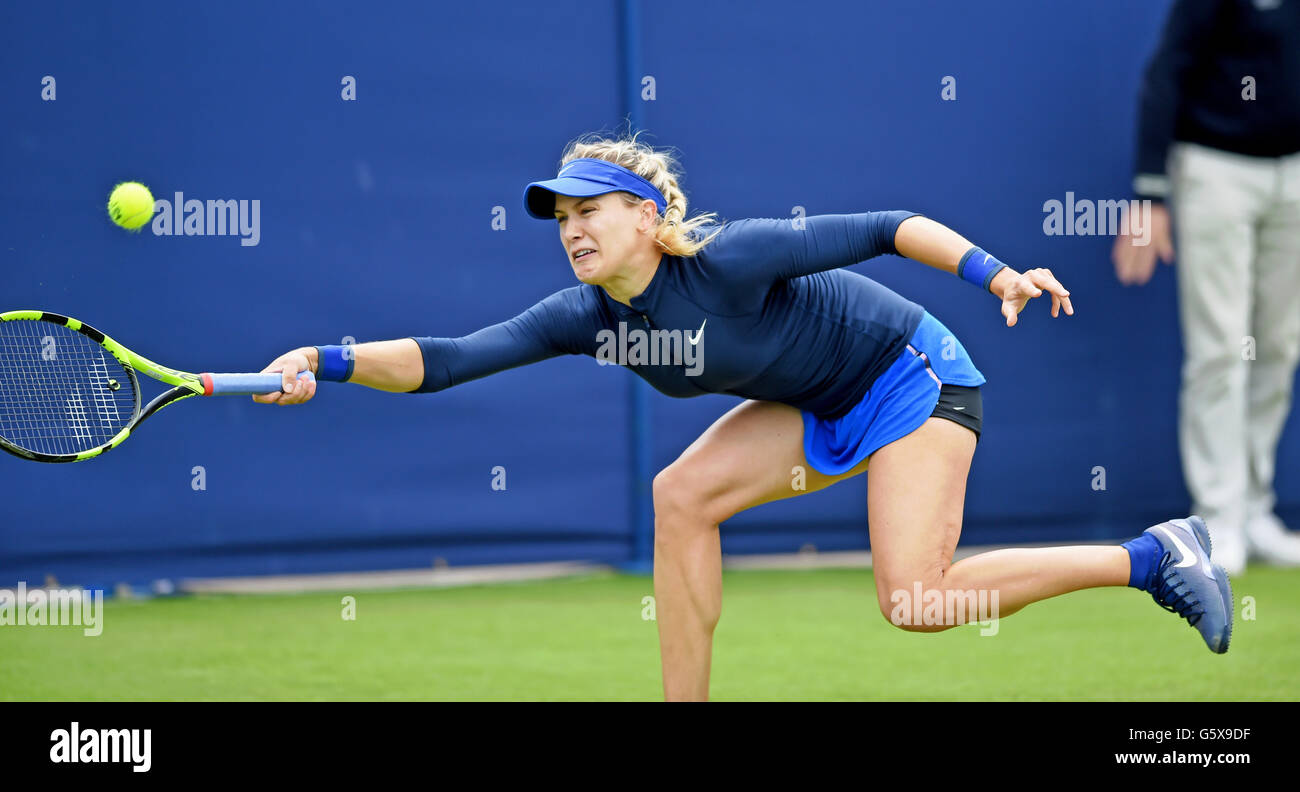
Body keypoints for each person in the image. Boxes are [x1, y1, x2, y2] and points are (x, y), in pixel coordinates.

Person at [257, 134, 1233, 701]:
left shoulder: (729, 261)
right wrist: (325, 360)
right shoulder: (585, 317)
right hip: (818, 401)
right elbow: (449, 361)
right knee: (679, 497)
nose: (574, 230)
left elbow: (888, 226)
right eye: (560, 219)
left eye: (590, 210)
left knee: (917, 603)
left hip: (911, 380)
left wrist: (997, 273)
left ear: (647, 216)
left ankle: (1152, 556)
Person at [1113, 0, 1300, 575]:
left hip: (1293, 174)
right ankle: (1217, 516)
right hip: (1215, 172)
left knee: (1278, 345)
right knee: (1221, 348)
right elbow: (1166, 72)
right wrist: (1150, 195)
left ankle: (1254, 508)